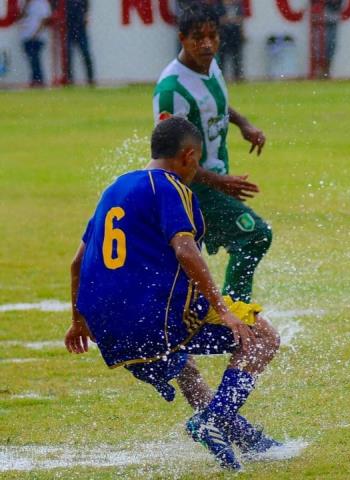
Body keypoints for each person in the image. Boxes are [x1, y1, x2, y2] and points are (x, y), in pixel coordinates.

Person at [65, 117, 282, 470]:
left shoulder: (115, 188)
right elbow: (185, 249)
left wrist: (77, 322)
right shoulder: (171, 187)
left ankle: (242, 435)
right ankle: (216, 418)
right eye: (196, 161)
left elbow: (76, 264)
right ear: (189, 156)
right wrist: (223, 309)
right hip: (151, 321)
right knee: (261, 338)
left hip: (108, 333)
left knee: (183, 360)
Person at [154, 3, 271, 303]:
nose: (206, 44)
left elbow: (212, 105)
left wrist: (244, 124)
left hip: (214, 181)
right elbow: (170, 156)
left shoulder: (210, 64)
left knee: (185, 267)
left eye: (212, 36)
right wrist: (219, 182)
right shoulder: (172, 89)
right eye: (197, 37)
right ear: (182, 38)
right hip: (193, 190)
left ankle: (203, 319)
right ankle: (235, 314)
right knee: (255, 234)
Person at [17, 0, 52, 87]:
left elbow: (45, 20)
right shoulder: (22, 3)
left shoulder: (42, 3)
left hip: (37, 37)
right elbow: (20, 17)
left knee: (35, 59)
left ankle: (39, 80)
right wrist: (26, 6)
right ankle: (35, 80)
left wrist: (35, 34)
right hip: (25, 36)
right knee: (31, 60)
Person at [64, 0, 95, 85]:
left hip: (80, 28)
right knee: (68, 55)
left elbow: (86, 4)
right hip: (68, 28)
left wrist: (86, 15)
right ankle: (69, 79)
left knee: (85, 52)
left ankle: (90, 79)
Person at [219, 0, 245, 82]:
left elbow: (241, 19)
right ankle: (221, 77)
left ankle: (237, 77)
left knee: (237, 58)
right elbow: (218, 20)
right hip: (224, 36)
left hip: (235, 36)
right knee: (222, 58)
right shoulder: (219, 6)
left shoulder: (238, 5)